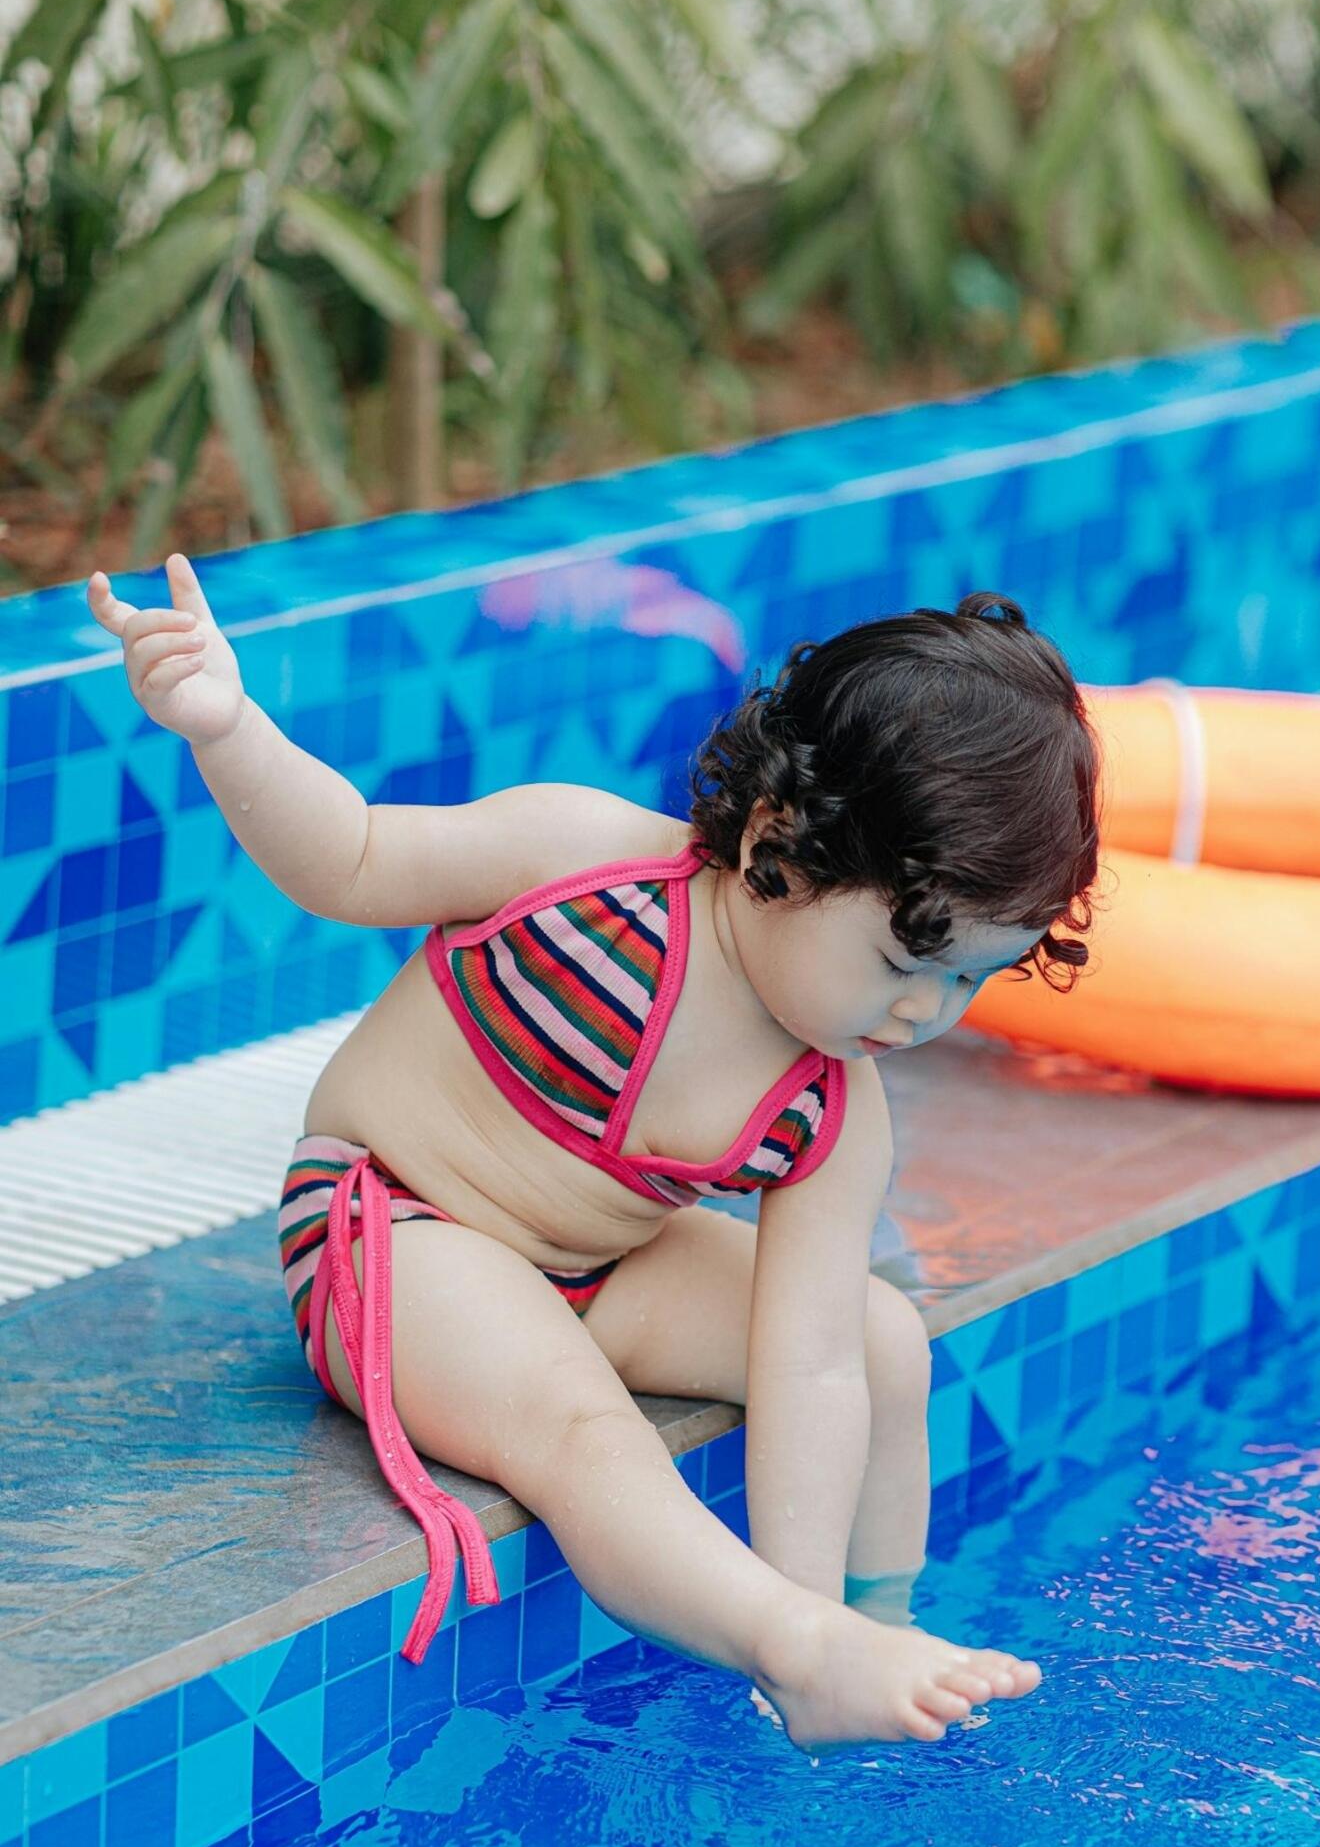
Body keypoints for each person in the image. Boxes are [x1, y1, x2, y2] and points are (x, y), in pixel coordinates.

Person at [87, 551, 1102, 1751]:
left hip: (590, 1272)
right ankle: (797, 1645)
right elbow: (349, 855)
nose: (923, 1014)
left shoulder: (833, 1110)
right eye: (902, 961)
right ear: (778, 842)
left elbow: (812, 1365)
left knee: (880, 1345)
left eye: (968, 980)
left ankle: (872, 1628)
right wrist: (226, 724)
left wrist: (811, 1583)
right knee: (582, 1432)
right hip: (394, 1230)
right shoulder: (581, 863)